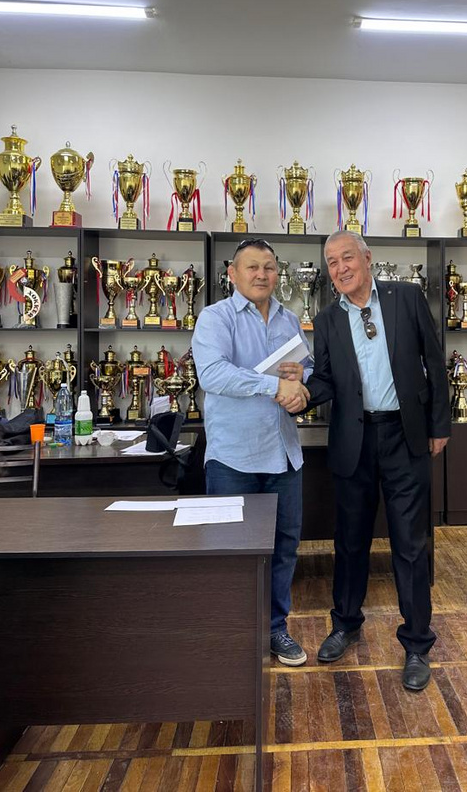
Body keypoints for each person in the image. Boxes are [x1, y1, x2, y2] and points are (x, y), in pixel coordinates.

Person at [305, 231, 450, 691]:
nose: (340, 268)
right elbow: (325, 379)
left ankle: (417, 643)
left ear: (367, 258)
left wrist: (440, 425)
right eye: (332, 262)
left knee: (410, 544)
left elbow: (434, 360)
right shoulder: (327, 319)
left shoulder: (406, 298)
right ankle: (345, 624)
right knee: (350, 542)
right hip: (354, 439)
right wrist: (301, 392)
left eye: (347, 257)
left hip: (405, 436)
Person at [192, 237, 312, 666]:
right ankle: (233, 635)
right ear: (232, 274)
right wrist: (274, 385)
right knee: (231, 549)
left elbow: (308, 368)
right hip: (233, 458)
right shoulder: (215, 318)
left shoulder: (289, 319)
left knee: (284, 548)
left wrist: (301, 382)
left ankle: (276, 628)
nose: (262, 275)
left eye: (269, 267)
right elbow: (213, 374)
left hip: (284, 455)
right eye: (252, 267)